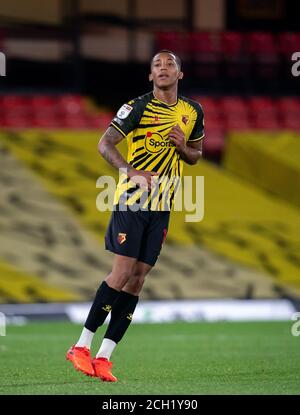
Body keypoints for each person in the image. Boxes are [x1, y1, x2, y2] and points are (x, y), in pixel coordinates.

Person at [66, 50, 204, 382]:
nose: (163, 68)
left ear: (179, 74)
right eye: (156, 65)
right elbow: (105, 143)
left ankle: (104, 357)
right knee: (123, 271)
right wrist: (129, 170)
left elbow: (196, 156)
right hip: (133, 200)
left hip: (163, 205)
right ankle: (81, 346)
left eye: (169, 63)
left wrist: (184, 146)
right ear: (150, 76)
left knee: (139, 279)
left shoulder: (193, 111)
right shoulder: (137, 107)